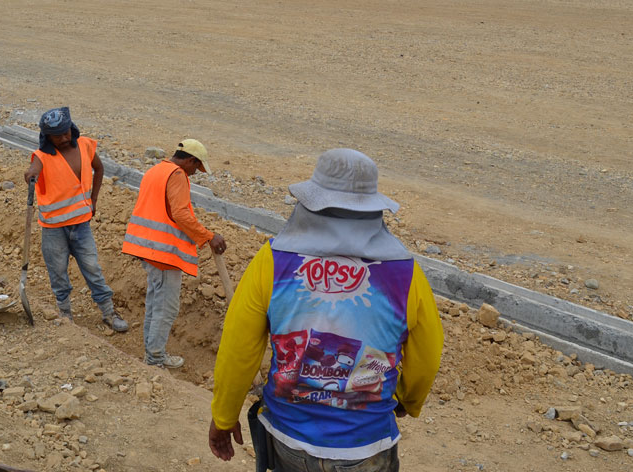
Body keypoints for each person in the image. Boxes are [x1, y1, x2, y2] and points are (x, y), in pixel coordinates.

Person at [208, 148, 444, 471]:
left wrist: (224, 415)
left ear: (310, 202)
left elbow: (238, 349)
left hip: (288, 440)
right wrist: (407, 400)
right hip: (365, 445)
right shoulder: (406, 275)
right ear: (373, 208)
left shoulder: (273, 262)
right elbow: (428, 355)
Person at [122, 139, 226, 369]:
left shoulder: (156, 170)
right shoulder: (177, 175)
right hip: (164, 254)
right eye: (196, 168)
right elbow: (180, 214)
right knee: (166, 309)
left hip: (148, 248)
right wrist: (208, 236)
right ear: (190, 160)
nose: (195, 174)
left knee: (154, 305)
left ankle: (152, 355)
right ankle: (155, 360)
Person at [24, 107, 128, 331]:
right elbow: (34, 168)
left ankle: (108, 312)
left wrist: (94, 200)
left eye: (66, 132)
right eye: (57, 135)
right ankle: (65, 314)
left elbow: (99, 169)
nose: (64, 138)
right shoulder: (42, 157)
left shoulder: (85, 146)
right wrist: (31, 174)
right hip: (53, 228)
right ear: (47, 137)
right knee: (58, 273)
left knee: (92, 268)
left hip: (81, 224)